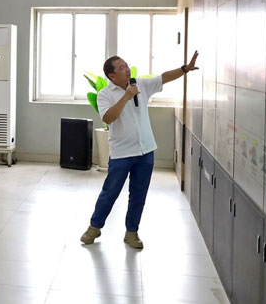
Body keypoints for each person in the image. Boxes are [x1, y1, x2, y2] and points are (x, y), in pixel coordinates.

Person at [80, 51, 199, 249]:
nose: (127, 69)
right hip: (121, 153)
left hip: (146, 151)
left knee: (138, 194)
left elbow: (164, 77)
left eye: (126, 65)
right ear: (112, 76)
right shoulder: (105, 94)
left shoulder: (140, 85)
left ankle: (132, 232)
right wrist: (126, 97)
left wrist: (185, 68)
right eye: (121, 68)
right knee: (110, 192)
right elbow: (108, 118)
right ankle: (94, 227)